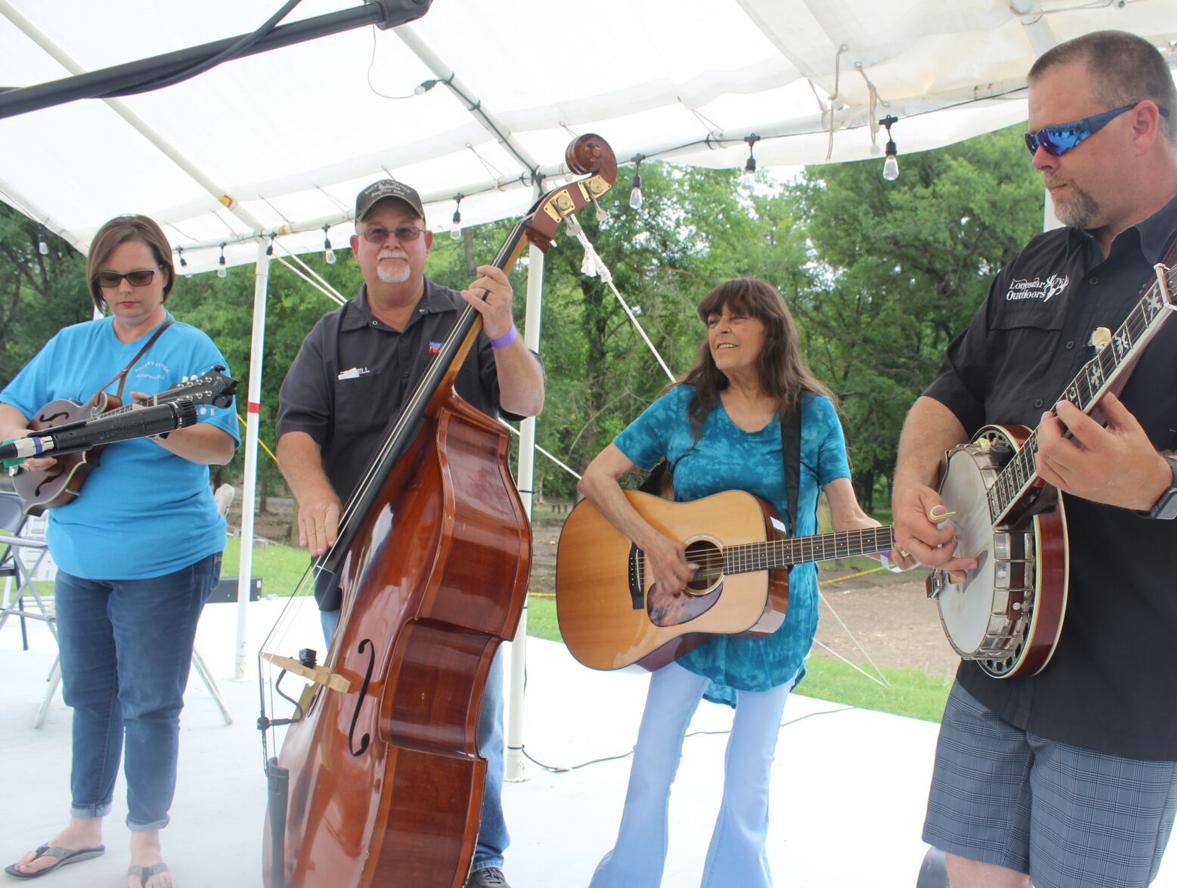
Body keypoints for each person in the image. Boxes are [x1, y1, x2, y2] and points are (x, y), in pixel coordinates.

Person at [890, 30, 1177, 888]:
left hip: (1129, 681)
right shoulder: (1035, 262)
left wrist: (1158, 481)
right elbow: (950, 391)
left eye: (1056, 139)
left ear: (1142, 122)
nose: (1039, 164)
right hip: (994, 656)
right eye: (1030, 141)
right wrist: (914, 480)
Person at [274, 179, 544, 888]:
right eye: (377, 231)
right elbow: (297, 429)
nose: (391, 242)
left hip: (449, 568)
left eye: (405, 230)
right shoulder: (329, 336)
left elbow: (526, 399)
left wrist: (504, 329)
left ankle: (480, 856)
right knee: (351, 718)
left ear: (425, 241)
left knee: (462, 722)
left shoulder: (469, 315)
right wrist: (312, 492)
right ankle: (357, 836)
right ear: (357, 247)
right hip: (358, 564)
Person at [578, 277, 881, 888]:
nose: (719, 328)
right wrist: (656, 545)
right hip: (682, 611)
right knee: (652, 761)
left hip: (774, 619)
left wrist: (891, 539)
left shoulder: (812, 415)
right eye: (712, 318)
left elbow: (848, 517)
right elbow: (596, 477)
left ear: (772, 328)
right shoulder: (684, 405)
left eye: (736, 317)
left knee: (749, 778)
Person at [1, 215, 239, 888]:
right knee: (90, 695)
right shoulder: (71, 342)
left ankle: (145, 845)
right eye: (113, 277)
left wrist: (166, 427)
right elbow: (9, 408)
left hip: (165, 558)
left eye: (140, 274)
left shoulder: (192, 350)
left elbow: (221, 444)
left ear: (165, 272)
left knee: (151, 703)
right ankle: (83, 826)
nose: (127, 289)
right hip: (79, 554)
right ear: (98, 282)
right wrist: (34, 441)